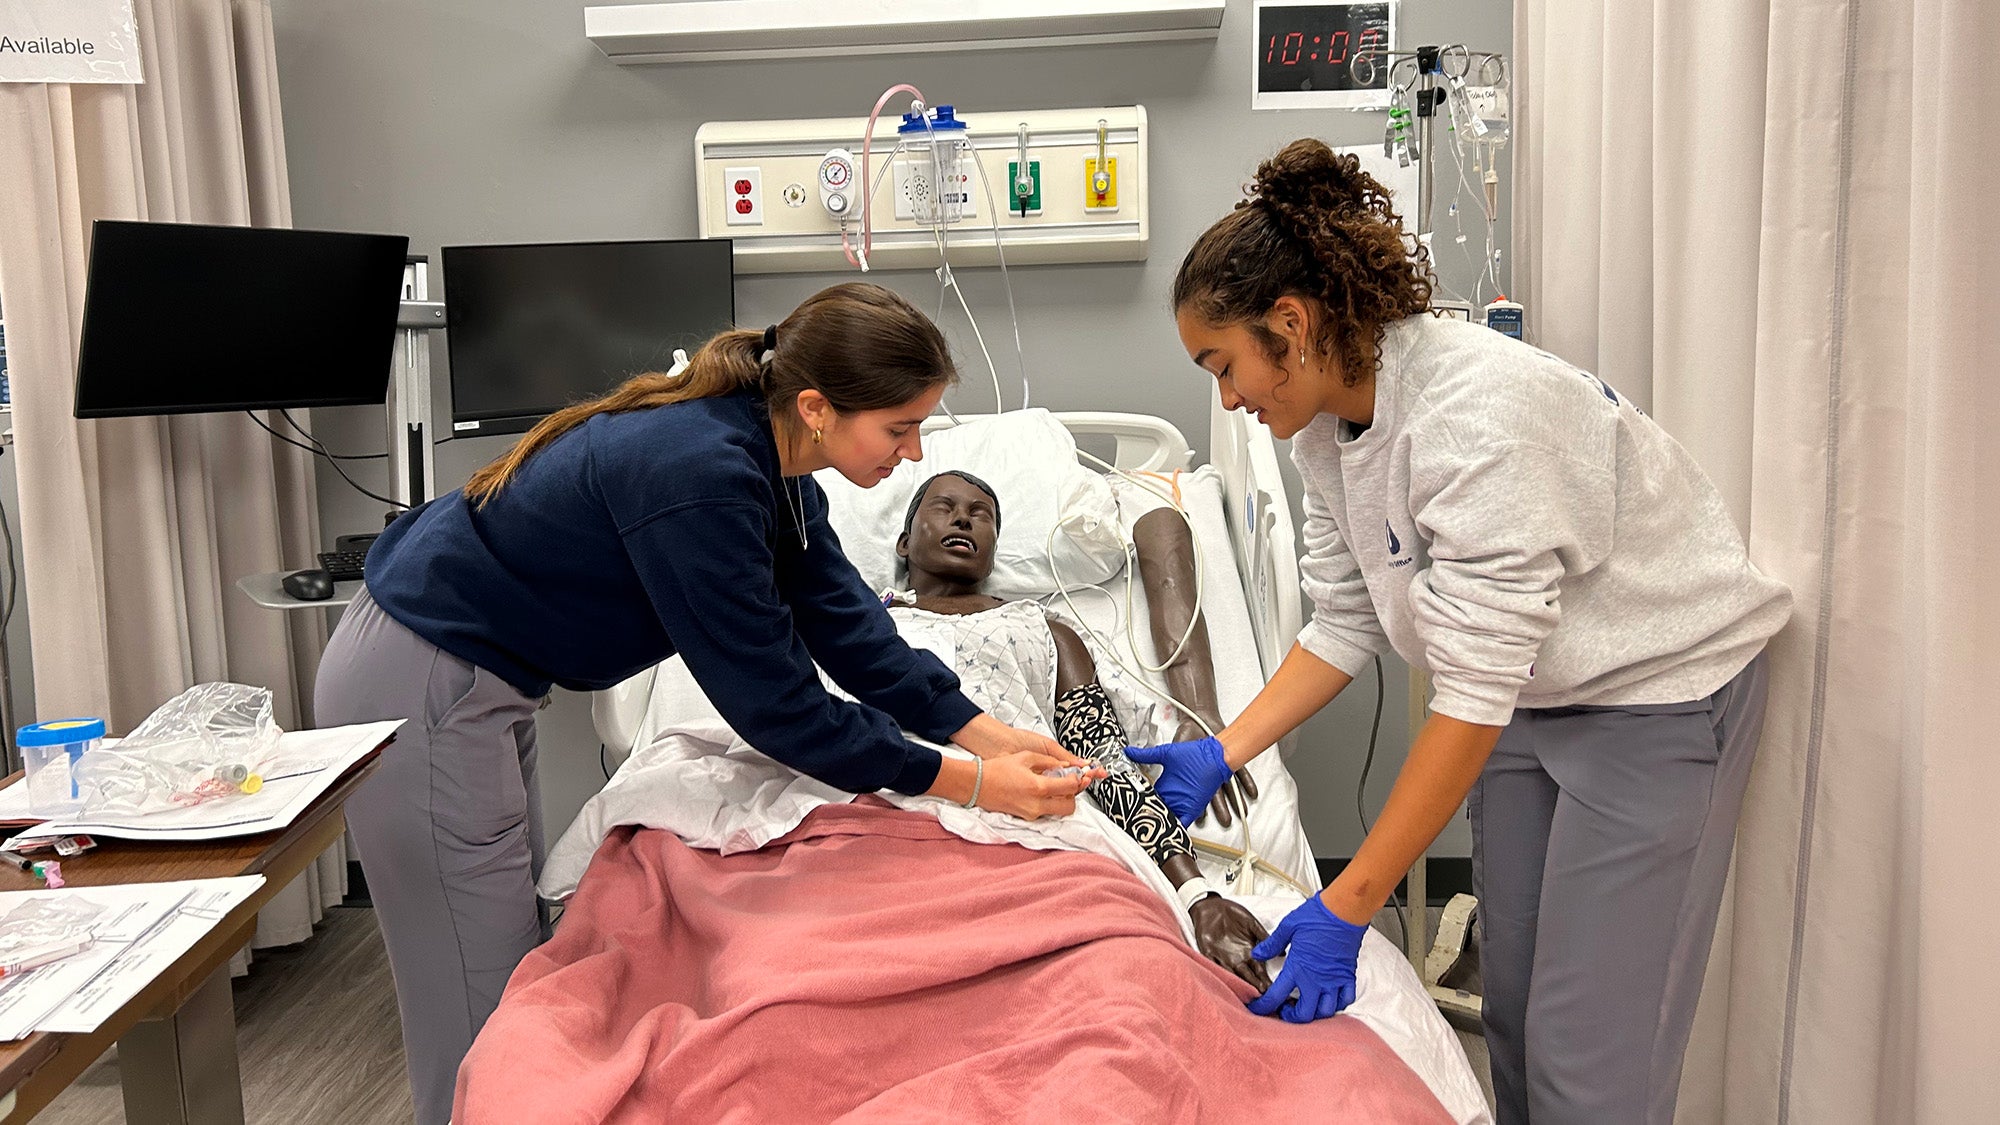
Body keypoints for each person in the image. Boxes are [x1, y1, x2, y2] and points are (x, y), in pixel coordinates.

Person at [313, 282, 1093, 1125]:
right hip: (421, 674)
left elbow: (847, 626)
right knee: (476, 1014)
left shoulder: (781, 471)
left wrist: (986, 733)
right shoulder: (700, 475)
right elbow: (782, 710)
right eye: (898, 429)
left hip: (477, 674)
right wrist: (973, 782)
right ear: (816, 406)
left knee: (512, 979)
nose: (912, 455)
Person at [1129, 139, 1792, 1124]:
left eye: (1224, 366)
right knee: (1515, 1009)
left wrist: (1349, 902)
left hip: (1652, 695)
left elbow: (1469, 693)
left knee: (1587, 1055)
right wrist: (1223, 748)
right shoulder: (1321, 425)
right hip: (1533, 692)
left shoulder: (1479, 417)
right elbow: (1346, 612)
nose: (1227, 398)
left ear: (1291, 324)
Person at [888, 470, 1268, 985]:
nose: (963, 518)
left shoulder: (1045, 630)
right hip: (891, 817)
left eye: (981, 515)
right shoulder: (857, 624)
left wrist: (1198, 895)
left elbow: (1102, 762)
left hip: (1029, 833)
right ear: (904, 542)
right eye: (945, 507)